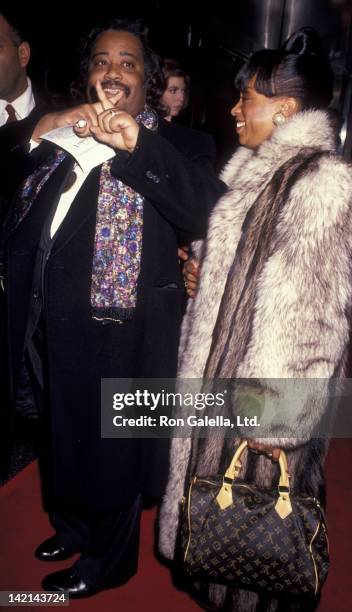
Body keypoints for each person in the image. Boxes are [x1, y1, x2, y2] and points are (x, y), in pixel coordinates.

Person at [2, 18, 223, 597]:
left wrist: (136, 144)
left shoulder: (181, 145)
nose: (113, 70)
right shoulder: (61, 138)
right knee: (59, 438)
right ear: (87, 74)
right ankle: (74, 527)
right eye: (101, 60)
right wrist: (37, 131)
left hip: (125, 332)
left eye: (128, 61)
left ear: (148, 79)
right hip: (45, 324)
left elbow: (209, 214)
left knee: (114, 451)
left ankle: (110, 560)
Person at [160, 27, 352, 611]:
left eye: (248, 98)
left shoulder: (323, 180)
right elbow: (241, 269)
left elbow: (308, 316)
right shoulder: (250, 168)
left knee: (255, 542)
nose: (235, 108)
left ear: (287, 108)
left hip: (262, 403)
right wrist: (201, 273)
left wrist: (274, 422)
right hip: (219, 381)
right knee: (215, 531)